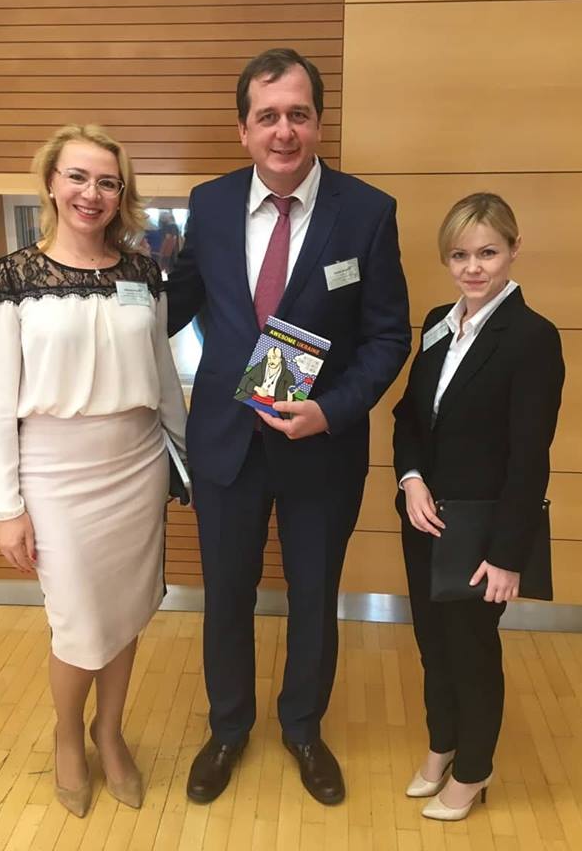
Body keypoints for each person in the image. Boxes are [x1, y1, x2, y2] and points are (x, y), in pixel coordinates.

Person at [167, 48, 410, 805]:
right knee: (226, 597)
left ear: (319, 123)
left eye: (298, 114)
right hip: (226, 445)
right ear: (243, 129)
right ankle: (228, 728)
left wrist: (332, 410)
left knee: (313, 598)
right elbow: (176, 306)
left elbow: (388, 337)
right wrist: (95, 306)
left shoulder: (366, 212)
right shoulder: (209, 205)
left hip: (321, 447)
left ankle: (303, 728)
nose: (284, 131)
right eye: (267, 116)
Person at [0, 124, 187, 818]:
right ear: (50, 182)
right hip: (55, 475)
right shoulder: (13, 278)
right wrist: (6, 507)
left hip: (136, 466)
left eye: (106, 182)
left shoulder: (143, 273)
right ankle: (69, 735)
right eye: (77, 177)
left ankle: (110, 730)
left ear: (121, 194)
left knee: (124, 613)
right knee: (76, 622)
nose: (91, 193)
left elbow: (162, 377)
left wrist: (188, 459)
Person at [392, 193, 564, 821]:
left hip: (482, 532)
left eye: (487, 253)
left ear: (514, 250)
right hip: (425, 518)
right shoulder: (440, 320)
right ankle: (442, 744)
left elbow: (529, 457)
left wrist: (507, 555)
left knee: (472, 651)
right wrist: (411, 478)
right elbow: (409, 416)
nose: (472, 268)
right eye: (459, 254)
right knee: (432, 644)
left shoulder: (533, 338)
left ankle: (473, 769)